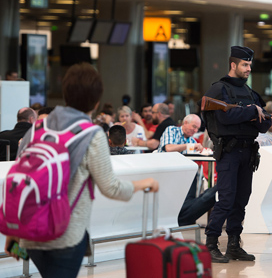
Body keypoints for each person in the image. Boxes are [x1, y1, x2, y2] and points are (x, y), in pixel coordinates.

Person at [3, 62, 159, 278]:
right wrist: (145, 183)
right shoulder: (92, 134)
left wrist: (13, 231)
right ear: (96, 103)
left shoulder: (37, 128)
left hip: (31, 233)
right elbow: (111, 188)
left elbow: (21, 177)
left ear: (65, 94)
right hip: (66, 235)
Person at [201, 46, 271, 263]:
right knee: (226, 199)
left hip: (247, 152)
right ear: (233, 65)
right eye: (244, 64)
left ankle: (233, 244)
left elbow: (265, 123)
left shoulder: (251, 92)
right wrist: (251, 112)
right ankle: (211, 244)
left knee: (241, 200)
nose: (249, 69)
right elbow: (224, 118)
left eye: (250, 65)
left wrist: (249, 113)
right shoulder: (218, 90)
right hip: (229, 152)